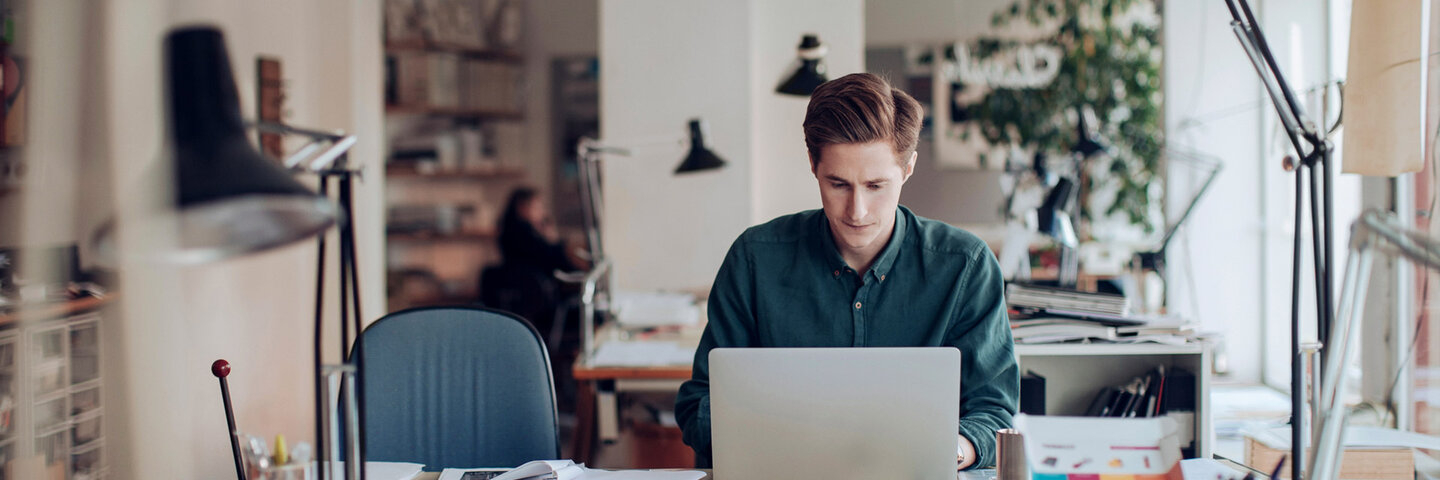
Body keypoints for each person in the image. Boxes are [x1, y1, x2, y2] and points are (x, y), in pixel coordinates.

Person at [673, 73, 1019, 470]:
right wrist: (772, 438)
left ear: (907, 169)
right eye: (838, 184)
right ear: (813, 165)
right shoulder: (754, 259)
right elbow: (699, 405)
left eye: (876, 185)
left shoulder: (965, 267)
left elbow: (995, 414)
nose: (856, 211)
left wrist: (951, 450)